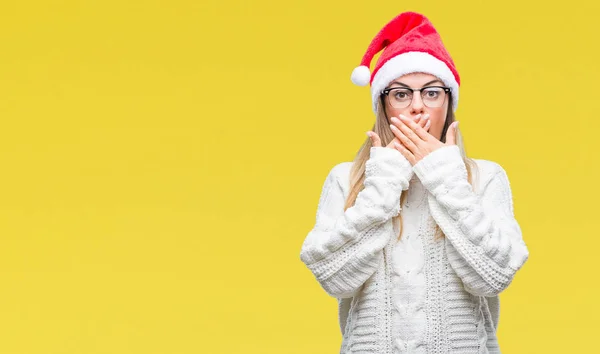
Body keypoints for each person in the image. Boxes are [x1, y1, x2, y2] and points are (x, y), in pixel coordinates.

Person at [299, 11, 529, 354]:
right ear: (383, 103)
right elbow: (334, 279)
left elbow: (493, 276)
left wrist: (445, 177)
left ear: (448, 102)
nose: (417, 107)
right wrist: (383, 185)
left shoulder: (485, 177)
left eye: (432, 92)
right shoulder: (345, 178)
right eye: (402, 94)